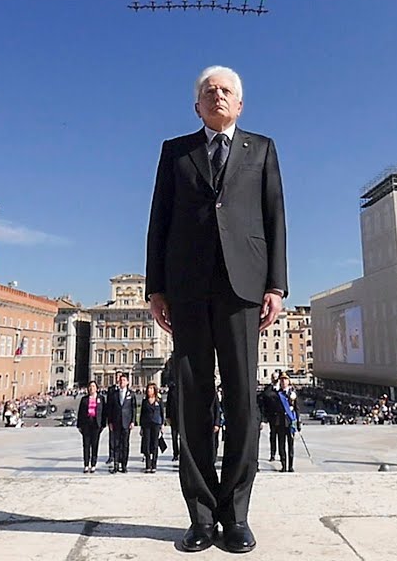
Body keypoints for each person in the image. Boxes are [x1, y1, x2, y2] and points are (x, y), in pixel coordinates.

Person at [146, 65, 288, 554]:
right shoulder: (175, 151)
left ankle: (237, 514)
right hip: (186, 287)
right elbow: (158, 218)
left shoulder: (262, 149)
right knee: (192, 401)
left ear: (240, 104)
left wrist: (277, 284)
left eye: (226, 91)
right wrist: (155, 287)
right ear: (197, 106)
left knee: (244, 401)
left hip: (243, 287)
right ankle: (201, 516)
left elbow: (275, 216)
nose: (218, 96)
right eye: (209, 91)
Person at [105, 373, 137, 474]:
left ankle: (124, 465)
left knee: (125, 445)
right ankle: (115, 465)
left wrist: (133, 421)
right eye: (120, 380)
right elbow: (110, 408)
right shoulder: (114, 394)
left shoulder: (131, 394)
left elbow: (133, 408)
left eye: (124, 380)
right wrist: (109, 421)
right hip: (116, 422)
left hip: (126, 422)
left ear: (127, 382)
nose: (122, 382)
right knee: (116, 444)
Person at [266, 374, 299, 472]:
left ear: (289, 381)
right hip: (280, 422)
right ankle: (284, 465)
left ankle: (291, 466)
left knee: (290, 445)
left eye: (285, 380)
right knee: (281, 445)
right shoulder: (277, 393)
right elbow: (266, 395)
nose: (283, 382)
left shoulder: (292, 393)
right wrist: (273, 383)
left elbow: (296, 409)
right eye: (281, 380)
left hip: (290, 422)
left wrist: (298, 422)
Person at [78, 381, 107, 473]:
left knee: (95, 445)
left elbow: (103, 412)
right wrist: (79, 425)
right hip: (86, 424)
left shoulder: (101, 398)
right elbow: (80, 412)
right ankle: (86, 464)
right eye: (90, 386)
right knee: (86, 445)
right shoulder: (84, 399)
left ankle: (93, 464)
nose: (91, 388)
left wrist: (103, 424)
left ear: (97, 388)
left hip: (96, 424)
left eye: (93, 386)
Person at [139, 382, 165, 473]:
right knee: (146, 444)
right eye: (148, 389)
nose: (149, 390)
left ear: (154, 390)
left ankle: (154, 464)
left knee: (155, 444)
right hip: (146, 424)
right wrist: (141, 427)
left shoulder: (158, 400)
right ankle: (148, 464)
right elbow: (142, 414)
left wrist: (162, 425)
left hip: (156, 424)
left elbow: (162, 413)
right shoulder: (145, 401)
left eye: (151, 389)